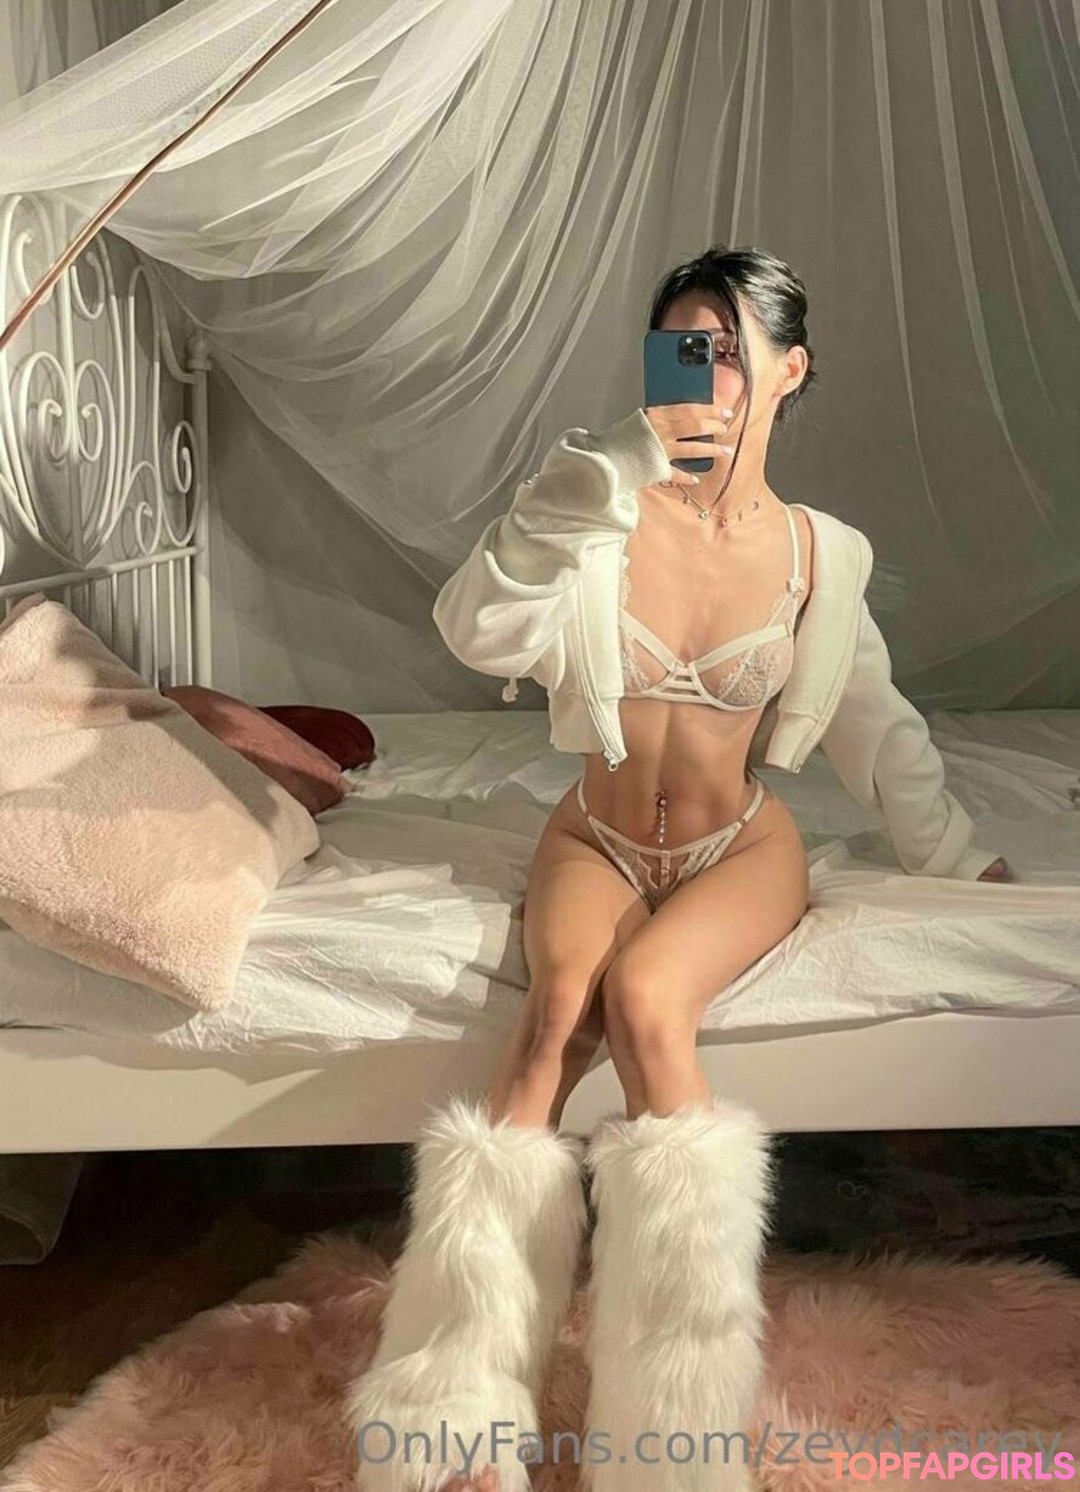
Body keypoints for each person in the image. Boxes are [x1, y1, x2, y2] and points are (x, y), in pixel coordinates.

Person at [345, 246, 1010, 1492]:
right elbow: (473, 627)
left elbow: (874, 725)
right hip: (594, 833)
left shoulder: (820, 555)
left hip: (736, 845)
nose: (700, 379)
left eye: (727, 352)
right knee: (553, 1016)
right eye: (677, 350)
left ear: (790, 371)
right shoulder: (596, 512)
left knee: (648, 1000)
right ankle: (448, 1418)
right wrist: (600, 472)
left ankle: (673, 1439)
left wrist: (957, 856)